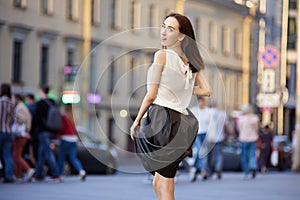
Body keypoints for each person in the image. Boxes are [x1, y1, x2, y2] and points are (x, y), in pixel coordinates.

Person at [130, 13, 211, 200]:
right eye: (163, 26)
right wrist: (182, 88)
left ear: (182, 36)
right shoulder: (190, 62)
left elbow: (151, 95)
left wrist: (137, 120)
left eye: (171, 29)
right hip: (181, 123)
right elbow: (206, 90)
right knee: (159, 182)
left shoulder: (162, 55)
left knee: (166, 184)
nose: (164, 32)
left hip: (161, 119)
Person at [31, 85, 61, 182]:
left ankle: (56, 174)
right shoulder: (53, 103)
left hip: (43, 131)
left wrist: (33, 131)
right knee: (42, 153)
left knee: (47, 153)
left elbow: (36, 119)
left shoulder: (41, 104)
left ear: (41, 92)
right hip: (52, 131)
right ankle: (38, 175)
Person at [57, 104, 86, 181]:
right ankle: (81, 171)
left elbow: (61, 128)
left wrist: (57, 136)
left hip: (65, 138)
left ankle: (59, 175)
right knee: (73, 158)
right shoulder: (73, 117)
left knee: (61, 158)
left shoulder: (64, 117)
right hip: (73, 139)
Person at [11, 93, 35, 182]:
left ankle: (28, 169)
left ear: (17, 98)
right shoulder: (24, 107)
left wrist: (14, 116)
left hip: (20, 134)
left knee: (16, 155)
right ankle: (19, 175)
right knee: (17, 155)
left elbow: (22, 119)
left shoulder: (19, 108)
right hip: (24, 133)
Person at [189, 96, 210, 182]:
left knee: (200, 152)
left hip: (205, 133)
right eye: (199, 102)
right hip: (196, 133)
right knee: (200, 150)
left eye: (202, 102)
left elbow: (210, 123)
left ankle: (193, 167)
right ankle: (203, 171)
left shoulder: (207, 111)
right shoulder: (193, 111)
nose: (201, 103)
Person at [236, 104, 259, 180]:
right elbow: (256, 129)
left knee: (244, 156)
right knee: (252, 154)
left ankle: (246, 172)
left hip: (243, 139)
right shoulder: (255, 118)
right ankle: (253, 166)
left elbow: (239, 129)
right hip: (253, 138)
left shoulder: (241, 119)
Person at [205, 99, 226, 180]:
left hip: (208, 137)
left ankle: (209, 171)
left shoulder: (206, 112)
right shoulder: (222, 113)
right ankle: (218, 170)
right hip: (219, 137)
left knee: (209, 155)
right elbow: (225, 125)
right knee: (219, 155)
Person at [0, 83, 15, 183]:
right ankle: (9, 176)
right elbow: (13, 119)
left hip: (1, 130)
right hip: (9, 131)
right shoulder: (11, 103)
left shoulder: (1, 102)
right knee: (7, 155)